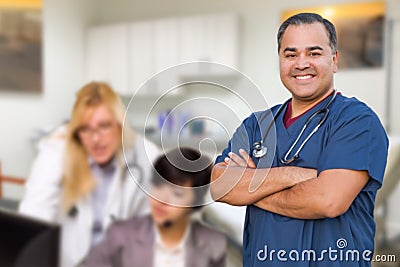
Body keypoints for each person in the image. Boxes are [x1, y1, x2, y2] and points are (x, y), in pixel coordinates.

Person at [210, 13, 388, 267]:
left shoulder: (357, 122)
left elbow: (328, 200)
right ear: (280, 60)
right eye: (290, 55)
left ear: (334, 60)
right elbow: (218, 185)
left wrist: (251, 187)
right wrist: (296, 175)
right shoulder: (257, 125)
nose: (301, 63)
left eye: (314, 53)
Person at [18, 81, 160, 267]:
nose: (95, 139)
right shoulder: (59, 154)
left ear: (119, 125)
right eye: (85, 129)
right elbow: (32, 221)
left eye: (104, 126)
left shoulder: (145, 156)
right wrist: (51, 158)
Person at [84, 147, 227, 267]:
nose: (161, 199)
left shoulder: (213, 244)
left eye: (177, 193)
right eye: (158, 186)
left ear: (196, 202)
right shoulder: (120, 235)